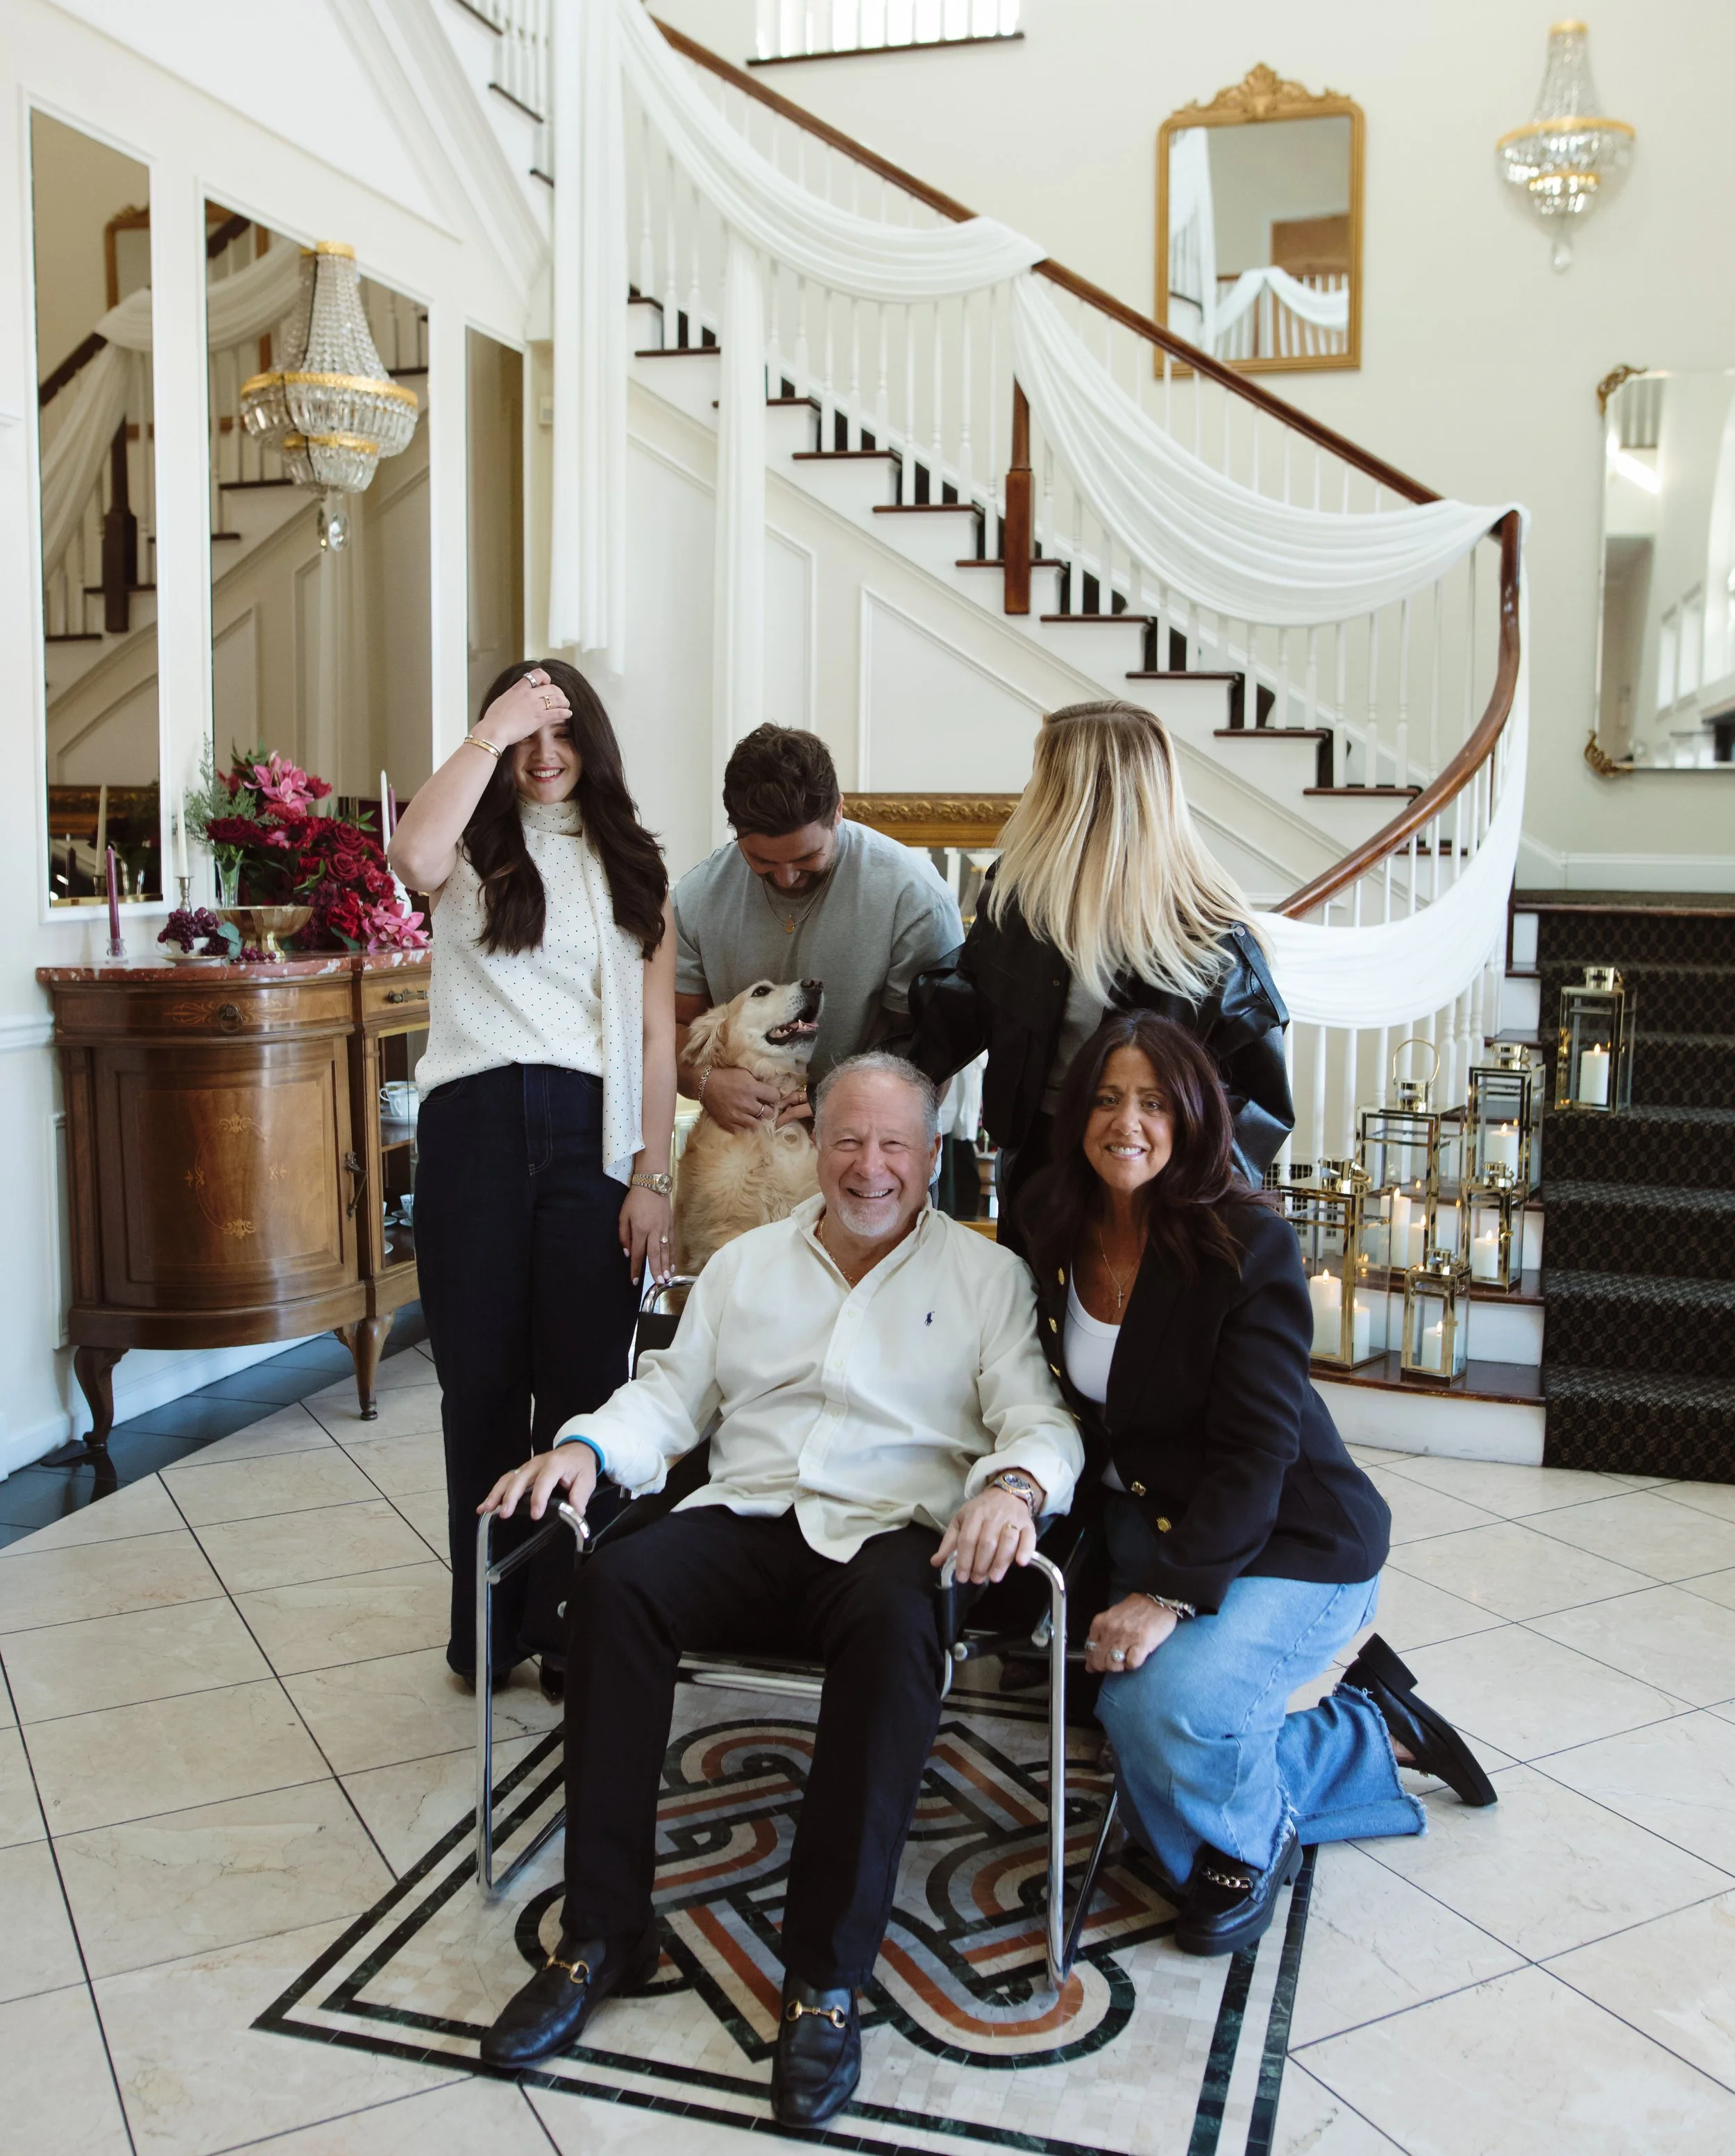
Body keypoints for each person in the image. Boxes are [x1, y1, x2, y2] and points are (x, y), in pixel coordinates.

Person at [473, 1053, 1083, 2125]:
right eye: (847, 1139)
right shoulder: (749, 1265)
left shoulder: (987, 1279)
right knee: (616, 1584)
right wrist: (584, 1447)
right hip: (751, 1512)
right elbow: (669, 1397)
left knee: (899, 1626)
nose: (870, 1165)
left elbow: (1038, 1417)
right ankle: (603, 1933)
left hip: (896, 1531)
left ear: (932, 1156)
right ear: (814, 1145)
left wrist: (1017, 1487)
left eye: (896, 1143)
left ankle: (826, 1979)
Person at [1019, 1011, 1495, 1957]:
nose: (1129, 1122)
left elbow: (1259, 1455)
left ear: (1193, 1115)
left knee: (1159, 1708)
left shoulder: (1247, 1245)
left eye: (1155, 1102)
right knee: (1129, 1712)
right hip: (1146, 1520)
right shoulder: (1048, 1219)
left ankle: (1252, 1837)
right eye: (1109, 1099)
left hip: (1293, 1533)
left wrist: (1164, 1594)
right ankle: (1372, 1728)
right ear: (1079, 1112)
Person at [389, 660, 677, 1693]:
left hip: (591, 1135)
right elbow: (409, 852)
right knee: (480, 1388)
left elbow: (651, 1032)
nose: (544, 756)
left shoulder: (635, 863)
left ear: (591, 746)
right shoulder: (471, 841)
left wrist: (655, 1173)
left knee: (583, 1390)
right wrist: (488, 727)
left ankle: (567, 1626)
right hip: (474, 1123)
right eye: (526, 737)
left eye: (561, 735)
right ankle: (487, 1628)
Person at [904, 701, 1293, 1239]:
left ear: (1072, 791)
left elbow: (1257, 1110)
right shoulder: (1020, 898)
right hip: (1041, 1171)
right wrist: (851, 1088)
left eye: (1042, 774)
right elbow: (958, 1012)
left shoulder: (1212, 938)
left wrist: (1187, 1196)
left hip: (1156, 1189)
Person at [673, 724, 962, 1137]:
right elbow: (672, 1030)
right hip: (749, 1145)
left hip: (871, 1146)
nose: (787, 878)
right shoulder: (696, 897)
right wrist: (706, 1084)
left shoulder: (912, 898)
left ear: (838, 810)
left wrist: (834, 1103)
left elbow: (927, 1053)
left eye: (807, 857)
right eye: (763, 862)